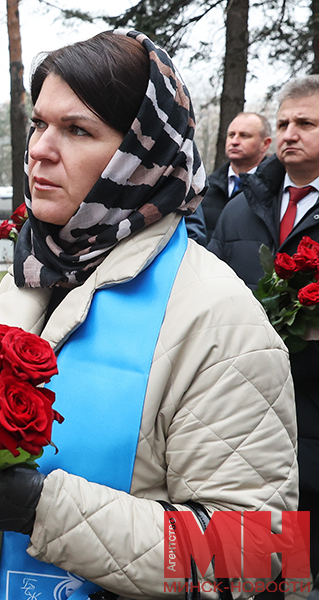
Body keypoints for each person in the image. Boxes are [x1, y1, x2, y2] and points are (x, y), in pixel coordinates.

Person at [0, 31, 299, 599]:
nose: (40, 150)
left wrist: (41, 508)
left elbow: (257, 554)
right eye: (39, 124)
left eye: (77, 130)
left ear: (142, 156)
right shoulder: (31, 276)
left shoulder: (220, 318)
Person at [209, 75, 319, 579]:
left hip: (314, 411)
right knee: (270, 567)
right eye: (284, 123)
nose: (291, 133)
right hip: (250, 416)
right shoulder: (239, 211)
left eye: (306, 123)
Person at [201, 112, 273, 241]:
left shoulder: (274, 189)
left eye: (244, 136)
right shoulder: (205, 188)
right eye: (231, 135)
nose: (234, 142)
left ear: (265, 144)